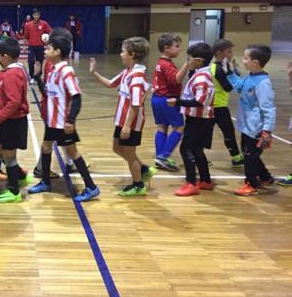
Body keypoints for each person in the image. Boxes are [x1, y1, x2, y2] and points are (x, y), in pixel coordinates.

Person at [28, 28, 99, 202]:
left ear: (58, 51)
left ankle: (91, 187)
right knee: (45, 148)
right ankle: (45, 181)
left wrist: (70, 120)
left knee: (73, 152)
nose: (45, 50)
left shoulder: (66, 71)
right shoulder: (52, 70)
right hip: (52, 122)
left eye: (49, 48)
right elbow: (47, 92)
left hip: (62, 122)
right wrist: (37, 77)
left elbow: (76, 96)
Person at [89, 37, 157, 197]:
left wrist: (127, 126)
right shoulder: (128, 71)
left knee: (130, 154)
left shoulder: (137, 77)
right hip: (122, 119)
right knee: (117, 148)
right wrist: (94, 73)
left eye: (123, 51)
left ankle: (138, 185)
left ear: (132, 54)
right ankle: (144, 170)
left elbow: (135, 105)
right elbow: (111, 84)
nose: (120, 54)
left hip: (131, 122)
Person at [0, 38, 33, 203]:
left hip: (13, 121)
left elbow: (14, 102)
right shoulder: (13, 71)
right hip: (8, 121)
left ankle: (14, 191)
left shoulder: (12, 74)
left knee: (9, 156)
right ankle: (20, 176)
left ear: (5, 57)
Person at [225, 45, 276, 196]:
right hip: (248, 126)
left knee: (249, 156)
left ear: (256, 62)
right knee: (250, 154)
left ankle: (251, 184)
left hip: (257, 129)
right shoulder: (251, 76)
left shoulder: (263, 84)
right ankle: (265, 177)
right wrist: (230, 72)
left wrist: (266, 130)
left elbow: (269, 109)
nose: (243, 61)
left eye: (246, 58)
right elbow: (240, 87)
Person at [167, 43, 216, 196]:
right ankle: (206, 180)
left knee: (186, 149)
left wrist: (177, 101)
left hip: (199, 120)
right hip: (198, 118)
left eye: (190, 59)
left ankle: (191, 183)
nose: (188, 61)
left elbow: (200, 101)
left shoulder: (202, 77)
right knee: (197, 150)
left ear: (199, 61)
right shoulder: (199, 73)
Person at [151, 33, 190, 172]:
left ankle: (159, 157)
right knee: (179, 128)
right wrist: (187, 65)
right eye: (177, 46)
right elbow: (176, 80)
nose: (179, 49)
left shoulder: (160, 62)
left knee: (161, 127)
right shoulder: (167, 65)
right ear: (167, 48)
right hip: (168, 100)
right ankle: (164, 156)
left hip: (156, 98)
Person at [210, 39, 244, 166]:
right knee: (228, 132)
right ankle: (236, 158)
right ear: (219, 53)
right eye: (229, 52)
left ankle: (236, 157)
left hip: (212, 105)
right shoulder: (220, 70)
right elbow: (227, 87)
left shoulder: (213, 66)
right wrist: (233, 73)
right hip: (219, 106)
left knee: (206, 132)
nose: (231, 54)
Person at [23, 8, 52, 80]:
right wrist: (24, 46)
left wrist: (48, 41)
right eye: (35, 15)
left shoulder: (44, 23)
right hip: (31, 47)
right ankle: (31, 76)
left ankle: (38, 76)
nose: (36, 16)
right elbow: (25, 36)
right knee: (31, 61)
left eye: (38, 14)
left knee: (40, 61)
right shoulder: (28, 25)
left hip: (40, 46)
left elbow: (50, 31)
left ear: (39, 15)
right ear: (32, 15)